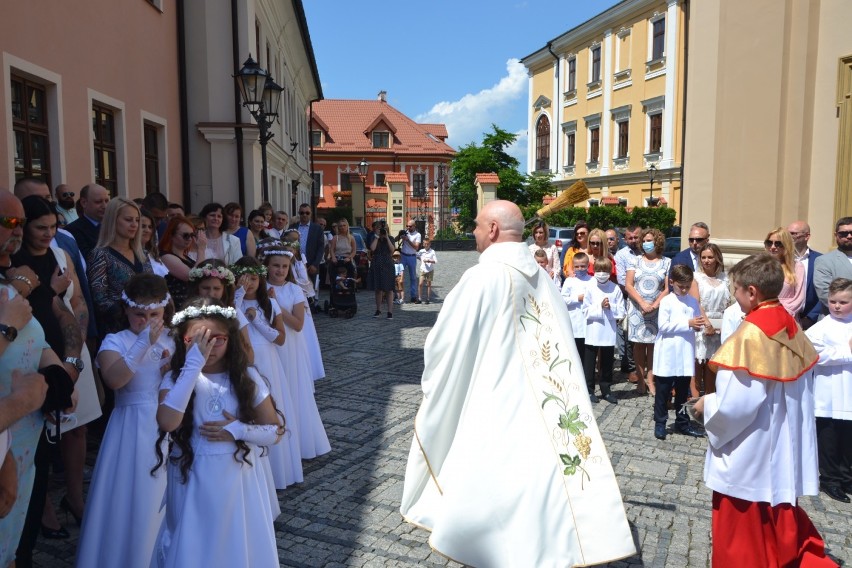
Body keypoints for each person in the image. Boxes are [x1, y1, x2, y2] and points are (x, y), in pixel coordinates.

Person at [400, 200, 634, 567]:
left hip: (493, 395)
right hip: (547, 396)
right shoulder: (541, 276)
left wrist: (439, 387)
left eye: (477, 227)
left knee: (497, 472)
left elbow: (444, 345)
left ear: (493, 229)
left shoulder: (481, 277)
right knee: (538, 472)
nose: (474, 234)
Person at [693, 253, 834, 566]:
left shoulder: (751, 335)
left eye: (737, 291)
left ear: (752, 292)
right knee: (776, 522)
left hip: (751, 451)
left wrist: (706, 405)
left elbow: (737, 406)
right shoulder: (789, 324)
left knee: (743, 538)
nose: (735, 297)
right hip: (782, 446)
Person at [153, 298, 284, 567]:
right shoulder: (176, 379)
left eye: (217, 339)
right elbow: (168, 422)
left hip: (234, 477)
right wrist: (193, 367)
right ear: (184, 341)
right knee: (191, 544)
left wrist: (238, 429)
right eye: (197, 340)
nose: (208, 348)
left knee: (232, 545)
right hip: (189, 474)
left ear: (230, 339)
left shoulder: (245, 377)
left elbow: (275, 432)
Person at [76, 274, 173, 567]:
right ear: (126, 311)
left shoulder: (175, 337)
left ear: (164, 311)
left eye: (153, 315)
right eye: (139, 315)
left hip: (168, 425)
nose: (146, 321)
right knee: (130, 498)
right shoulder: (115, 341)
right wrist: (142, 343)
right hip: (130, 428)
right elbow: (115, 380)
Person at [0, 190, 56, 566]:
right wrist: (7, 329)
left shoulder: (10, 279)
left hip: (20, 441)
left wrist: (60, 372)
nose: (17, 231)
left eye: (20, 221)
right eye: (10, 222)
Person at [231, 257, 302, 489]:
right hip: (244, 362)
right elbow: (230, 317)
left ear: (260, 279)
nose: (249, 283)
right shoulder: (233, 304)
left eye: (253, 279)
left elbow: (280, 339)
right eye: (244, 280)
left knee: (270, 408)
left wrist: (258, 321)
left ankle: (278, 471)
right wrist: (238, 295)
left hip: (269, 362)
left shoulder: (270, 304)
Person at [262, 247, 331, 460]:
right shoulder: (261, 288)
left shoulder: (294, 290)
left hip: (290, 346)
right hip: (269, 346)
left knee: (292, 389)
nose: (280, 270)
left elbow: (298, 324)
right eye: (275, 266)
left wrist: (276, 305)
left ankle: (297, 444)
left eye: (284, 266)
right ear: (267, 267)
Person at [805, 278, 852, 503]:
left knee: (848, 439)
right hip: (829, 393)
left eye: (843, 302)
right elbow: (815, 355)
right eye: (833, 301)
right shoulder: (820, 328)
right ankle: (830, 479)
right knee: (830, 439)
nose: (837, 306)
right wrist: (846, 351)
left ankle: (846, 476)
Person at [652, 265, 706, 440]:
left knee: (683, 391)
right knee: (663, 390)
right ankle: (660, 423)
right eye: (680, 286)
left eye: (687, 286)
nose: (684, 290)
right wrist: (688, 323)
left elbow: (696, 320)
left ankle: (682, 422)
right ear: (672, 282)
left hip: (685, 350)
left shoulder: (692, 301)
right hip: (668, 350)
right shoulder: (667, 301)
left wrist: (698, 325)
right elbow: (663, 326)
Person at [88, 198, 153, 336]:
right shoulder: (100, 254)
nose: (134, 225)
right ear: (113, 220)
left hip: (148, 326)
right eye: (128, 220)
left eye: (137, 220)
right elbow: (100, 300)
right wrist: (130, 313)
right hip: (117, 330)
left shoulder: (143, 254)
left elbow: (153, 286)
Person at [625, 228, 670, 395]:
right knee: (638, 344)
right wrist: (642, 303)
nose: (646, 243)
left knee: (652, 346)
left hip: (656, 309)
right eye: (644, 241)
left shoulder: (666, 262)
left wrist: (655, 304)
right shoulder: (634, 261)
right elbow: (628, 285)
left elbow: (667, 288)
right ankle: (640, 379)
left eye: (649, 240)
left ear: (657, 241)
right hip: (637, 308)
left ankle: (651, 380)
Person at [582, 256, 625, 404]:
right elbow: (585, 310)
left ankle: (606, 390)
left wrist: (610, 307)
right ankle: (589, 390)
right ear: (594, 271)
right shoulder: (590, 287)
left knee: (607, 362)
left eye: (605, 270)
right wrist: (599, 307)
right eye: (599, 270)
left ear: (610, 271)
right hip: (593, 329)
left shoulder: (615, 288)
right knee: (590, 362)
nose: (602, 273)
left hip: (608, 330)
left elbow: (621, 311)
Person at [692, 243, 729, 396]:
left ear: (717, 258)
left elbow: (727, 302)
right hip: (701, 322)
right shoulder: (696, 277)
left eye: (710, 257)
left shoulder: (724, 278)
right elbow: (696, 302)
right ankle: (693, 400)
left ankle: (709, 398)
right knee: (697, 362)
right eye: (703, 257)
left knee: (712, 364)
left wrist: (723, 324)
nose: (706, 260)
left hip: (718, 323)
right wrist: (707, 324)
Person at [159, 216, 207, 310]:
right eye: (186, 235)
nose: (190, 239)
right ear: (172, 236)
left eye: (192, 235)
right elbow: (194, 276)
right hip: (179, 307)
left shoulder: (186, 257)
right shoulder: (166, 256)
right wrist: (201, 249)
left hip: (192, 304)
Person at [615, 225, 642, 378]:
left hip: (651, 300)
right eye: (630, 238)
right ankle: (632, 368)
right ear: (625, 239)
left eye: (636, 237)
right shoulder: (621, 255)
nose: (633, 240)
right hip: (630, 298)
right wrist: (639, 297)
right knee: (629, 335)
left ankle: (646, 367)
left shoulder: (648, 252)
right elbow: (621, 280)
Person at [788, 220, 823, 328]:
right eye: (787, 234)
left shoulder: (820, 260)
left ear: (806, 236)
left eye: (794, 234)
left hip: (811, 322)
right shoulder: (780, 259)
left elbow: (825, 292)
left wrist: (810, 318)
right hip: (784, 319)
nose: (789, 237)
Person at [764, 227, 805, 317]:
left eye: (778, 244)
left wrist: (780, 312)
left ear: (786, 245)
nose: (773, 247)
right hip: (763, 314)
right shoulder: (761, 265)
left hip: (787, 316)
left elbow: (799, 298)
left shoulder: (797, 266)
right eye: (769, 243)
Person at [813, 217, 852, 310]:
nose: (849, 236)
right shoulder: (824, 261)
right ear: (836, 235)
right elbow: (824, 293)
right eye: (843, 233)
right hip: (837, 318)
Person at [65, 183, 110, 260]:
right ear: (84, 203)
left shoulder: (115, 226)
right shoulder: (72, 231)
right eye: (98, 202)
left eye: (106, 201)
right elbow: (89, 259)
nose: (104, 206)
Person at [561, 252, 591, 355]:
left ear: (588, 266)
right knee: (575, 350)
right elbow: (563, 299)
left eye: (583, 266)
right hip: (574, 320)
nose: (580, 269)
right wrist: (577, 298)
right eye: (577, 266)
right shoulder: (569, 281)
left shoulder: (592, 281)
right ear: (573, 266)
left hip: (588, 321)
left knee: (586, 351)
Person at [289, 204, 325, 281]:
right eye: (302, 213)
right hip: (294, 264)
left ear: (311, 214)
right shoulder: (292, 227)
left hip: (311, 265)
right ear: (299, 213)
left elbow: (320, 248)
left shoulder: (317, 229)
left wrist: (315, 264)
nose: (304, 215)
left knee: (311, 290)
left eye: (307, 213)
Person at [368, 221, 396, 319]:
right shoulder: (374, 238)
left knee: (389, 289)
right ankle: (378, 310)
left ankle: (390, 312)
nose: (381, 230)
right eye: (379, 228)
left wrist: (387, 237)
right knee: (378, 289)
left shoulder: (391, 238)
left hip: (387, 264)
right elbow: (372, 248)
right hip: (376, 263)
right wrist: (377, 236)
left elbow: (392, 250)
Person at [527, 221, 560, 285]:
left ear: (545, 233)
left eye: (541, 232)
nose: (538, 235)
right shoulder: (529, 248)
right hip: (535, 281)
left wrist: (549, 276)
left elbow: (557, 268)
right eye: (536, 232)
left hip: (550, 280)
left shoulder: (552, 248)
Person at [398, 220, 421, 303]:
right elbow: (396, 239)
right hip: (403, 256)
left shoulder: (418, 235)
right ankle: (399, 296)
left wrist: (407, 240)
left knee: (413, 278)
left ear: (414, 226)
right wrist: (400, 235)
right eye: (407, 226)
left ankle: (413, 296)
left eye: (410, 226)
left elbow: (416, 247)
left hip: (412, 257)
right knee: (399, 276)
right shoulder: (405, 232)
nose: (408, 227)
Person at [141, 209, 168, 278]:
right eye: (143, 226)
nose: (147, 230)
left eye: (150, 227)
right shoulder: (131, 254)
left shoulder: (153, 253)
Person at [417, 238, 437, 304]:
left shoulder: (432, 251)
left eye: (427, 244)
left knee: (428, 284)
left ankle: (428, 298)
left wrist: (429, 261)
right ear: (423, 244)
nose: (426, 245)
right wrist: (421, 259)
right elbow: (417, 255)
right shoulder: (421, 251)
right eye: (425, 244)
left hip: (430, 270)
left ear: (430, 244)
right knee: (420, 284)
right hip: (423, 269)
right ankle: (419, 298)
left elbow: (435, 261)